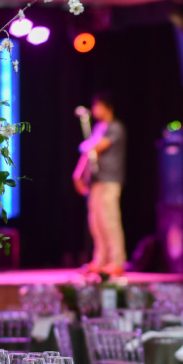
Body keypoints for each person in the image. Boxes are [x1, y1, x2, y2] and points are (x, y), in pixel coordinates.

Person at [72, 92, 127, 276]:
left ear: (107, 107)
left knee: (110, 221)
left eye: (98, 106)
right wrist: (78, 174)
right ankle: (100, 260)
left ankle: (117, 261)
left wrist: (87, 146)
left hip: (110, 179)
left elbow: (96, 147)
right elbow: (88, 153)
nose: (95, 110)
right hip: (95, 180)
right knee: (96, 223)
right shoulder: (98, 129)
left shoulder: (115, 128)